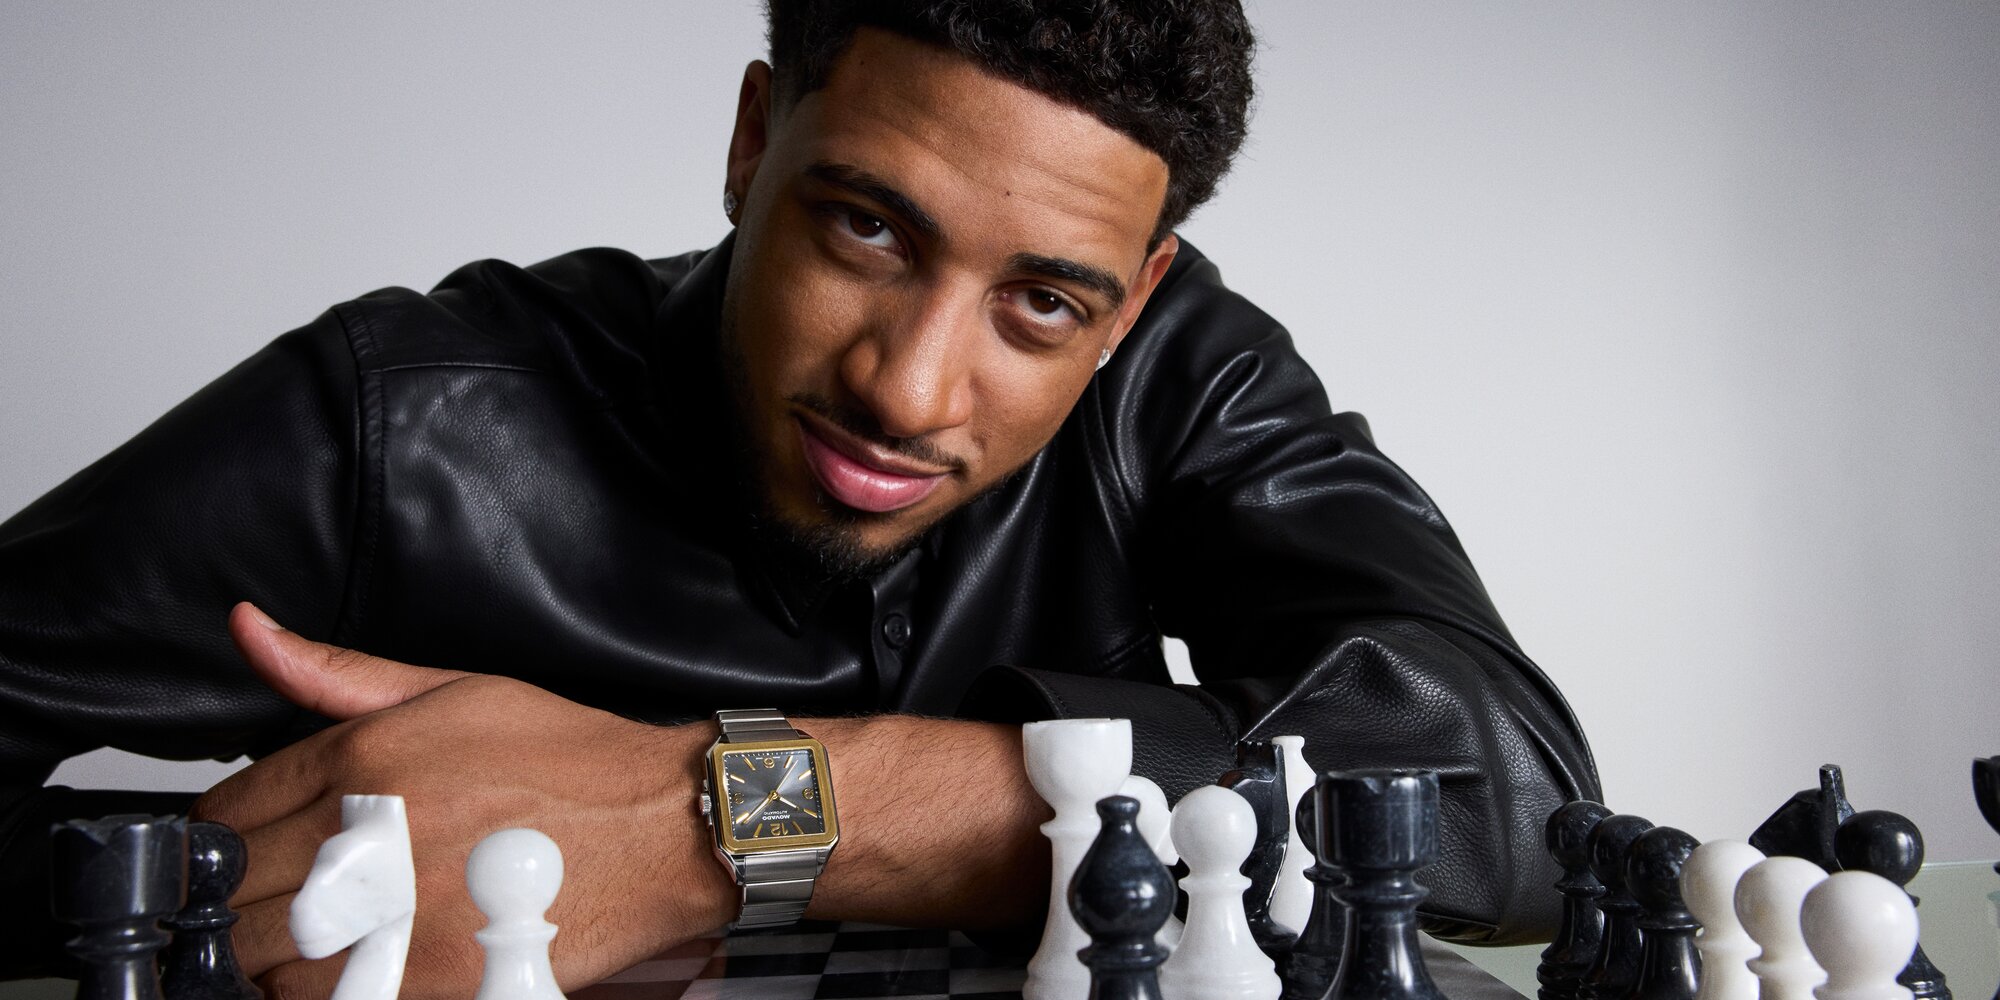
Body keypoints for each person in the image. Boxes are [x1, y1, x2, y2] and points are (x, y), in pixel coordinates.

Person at [0, 1, 1599, 996]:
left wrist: (703, 817)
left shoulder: (1174, 380)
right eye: (869, 230)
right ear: (754, 140)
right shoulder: (401, 420)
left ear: (1136, 300)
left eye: (1045, 303)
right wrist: (303, 869)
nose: (909, 391)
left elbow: (1512, 793)